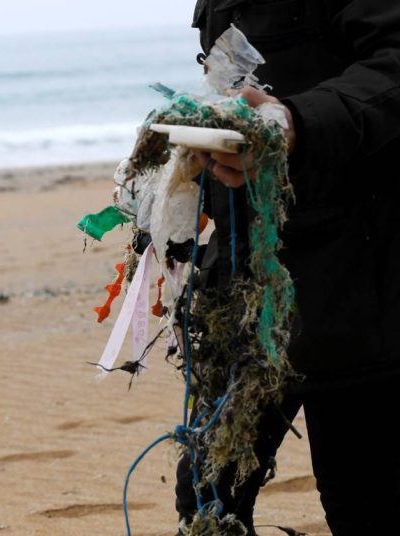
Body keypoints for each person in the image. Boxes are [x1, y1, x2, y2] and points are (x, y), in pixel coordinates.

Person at [174, 2, 400, 535]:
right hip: (249, 286)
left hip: (359, 289)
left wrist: (292, 122)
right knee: (207, 499)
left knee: (366, 502)